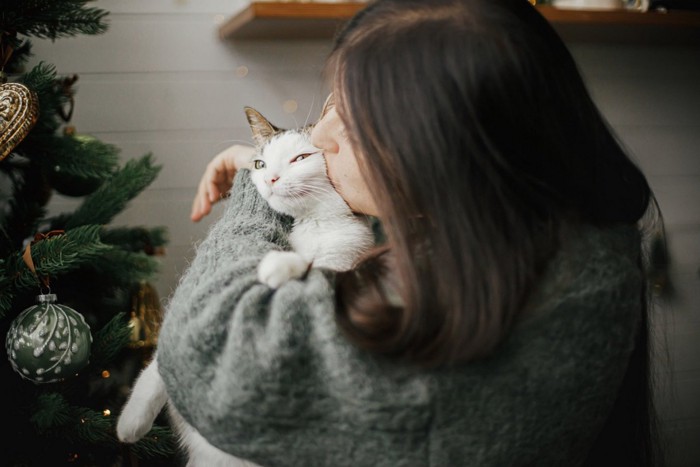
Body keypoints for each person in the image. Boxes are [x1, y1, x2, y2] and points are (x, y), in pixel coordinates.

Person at [159, 0, 663, 465]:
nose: (319, 136)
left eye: (354, 127)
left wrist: (258, 193)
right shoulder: (563, 234)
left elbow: (204, 356)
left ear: (442, 157)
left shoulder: (489, 331)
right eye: (334, 101)